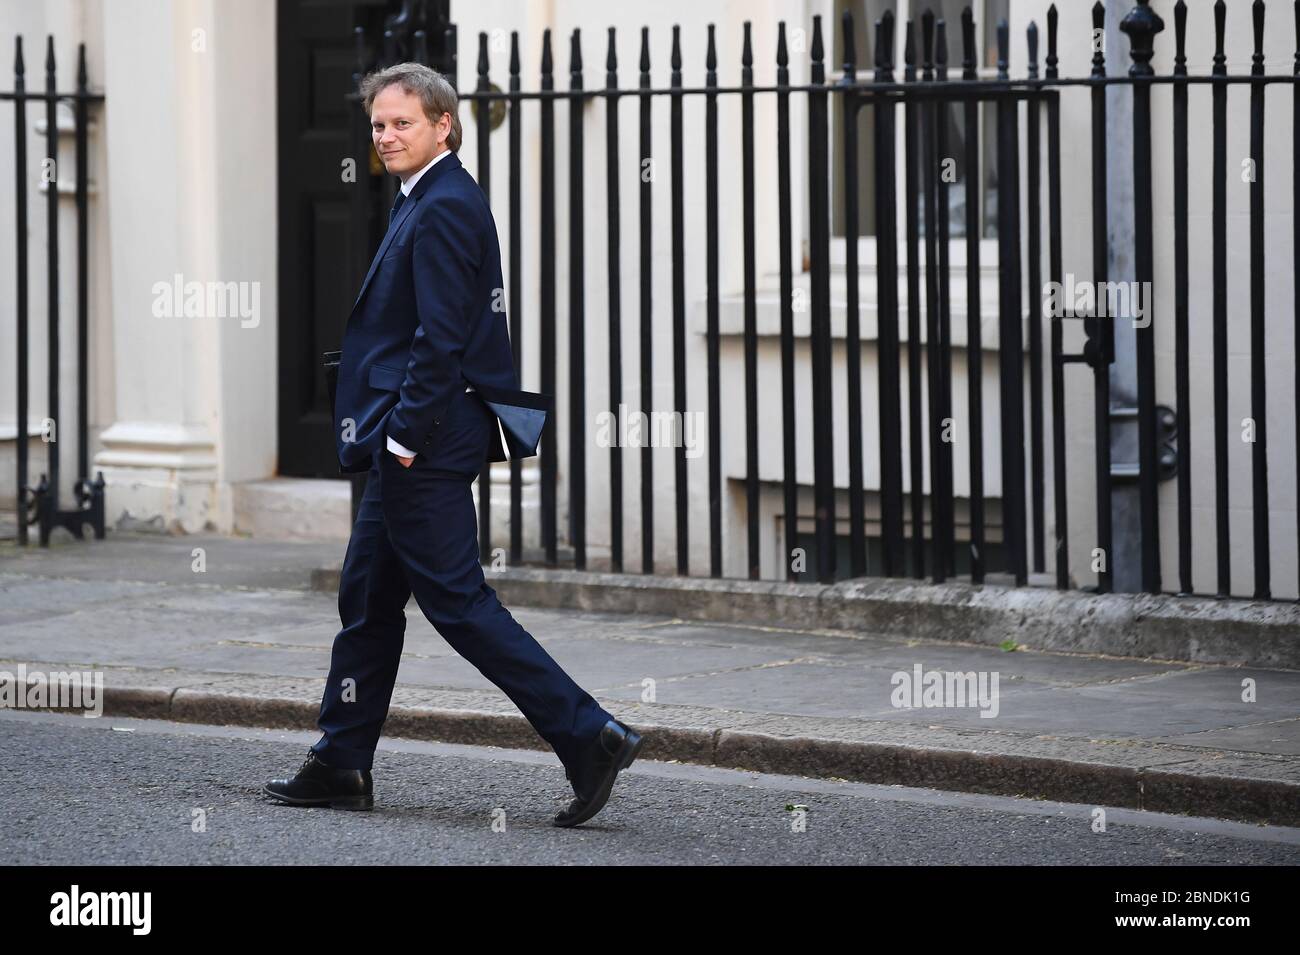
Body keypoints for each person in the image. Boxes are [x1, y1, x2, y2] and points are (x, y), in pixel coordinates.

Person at [263, 62, 640, 828]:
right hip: (409, 440)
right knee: (368, 598)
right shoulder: (425, 198)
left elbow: (440, 339)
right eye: (378, 124)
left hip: (422, 441)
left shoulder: (444, 207)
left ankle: (589, 734)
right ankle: (341, 759)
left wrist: (400, 437)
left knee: (460, 604)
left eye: (402, 121)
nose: (386, 135)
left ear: (444, 124)